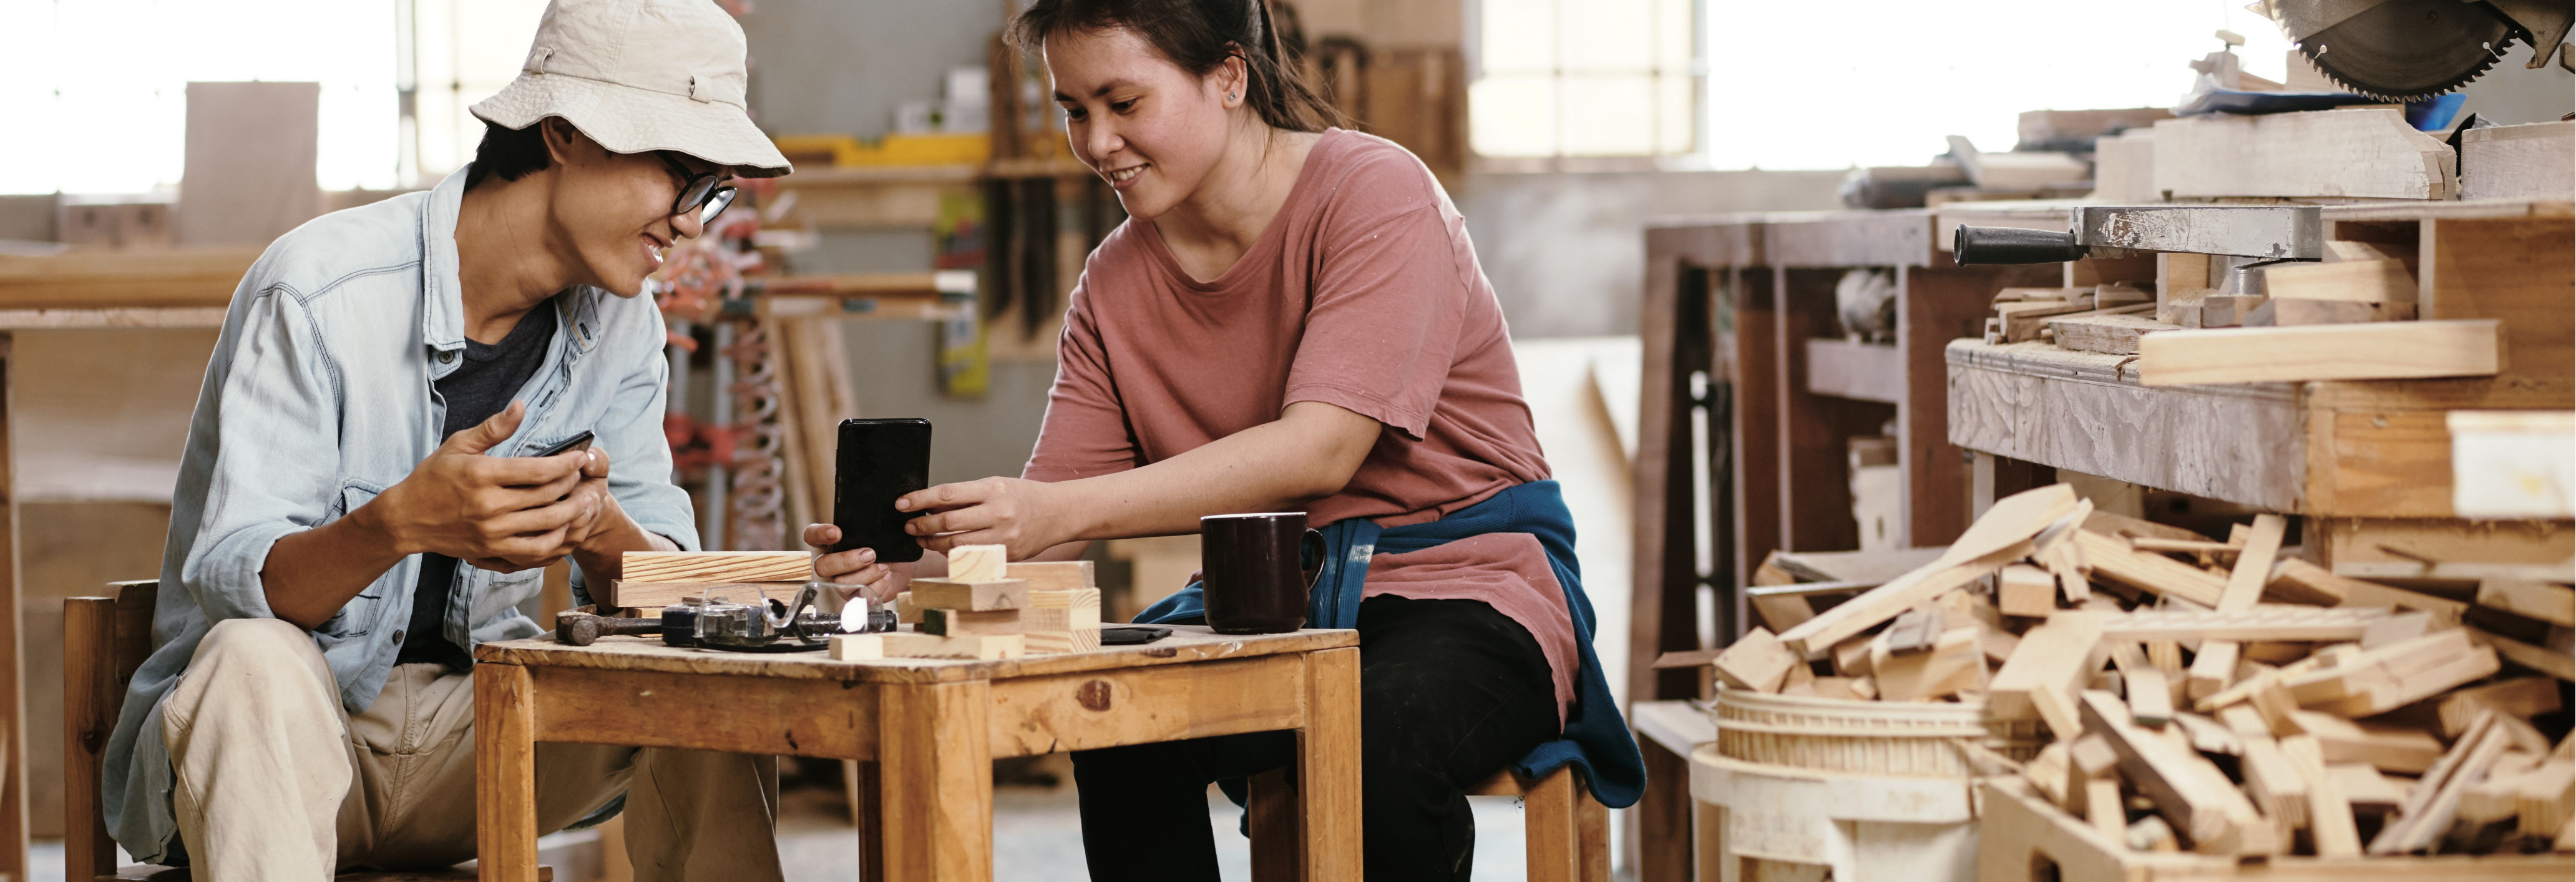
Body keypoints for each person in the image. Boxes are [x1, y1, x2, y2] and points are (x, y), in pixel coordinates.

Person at [804, 0, 1643, 876]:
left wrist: (1046, 509)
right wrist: (916, 561)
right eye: (1073, 110)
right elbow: (1053, 516)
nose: (1096, 142)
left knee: (1372, 738)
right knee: (1114, 717)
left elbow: (1321, 448)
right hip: (1266, 597)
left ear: (1230, 77)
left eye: (1124, 103)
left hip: (1471, 586)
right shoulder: (1112, 283)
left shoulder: (1376, 190)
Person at [100, 1, 890, 879]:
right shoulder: (318, 292)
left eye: (714, 191)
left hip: (476, 744)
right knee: (251, 661)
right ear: (563, 133)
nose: (693, 220)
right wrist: (399, 523)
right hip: (276, 750)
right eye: (682, 175)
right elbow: (236, 589)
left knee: (696, 671)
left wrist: (597, 525)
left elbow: (664, 587)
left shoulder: (626, 329)